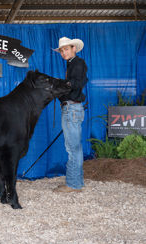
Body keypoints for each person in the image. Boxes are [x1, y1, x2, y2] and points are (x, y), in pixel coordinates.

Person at [52, 37, 88, 193]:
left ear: (74, 48)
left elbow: (74, 83)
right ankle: (77, 182)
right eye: (61, 50)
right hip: (74, 108)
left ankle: (72, 184)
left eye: (66, 49)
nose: (63, 52)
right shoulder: (73, 64)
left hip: (71, 108)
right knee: (76, 148)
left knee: (72, 148)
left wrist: (57, 84)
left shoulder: (77, 63)